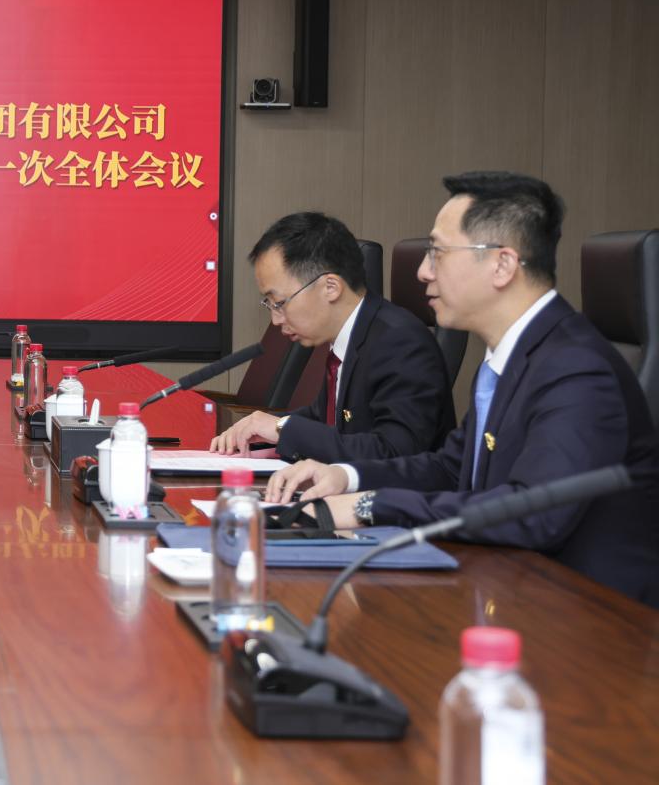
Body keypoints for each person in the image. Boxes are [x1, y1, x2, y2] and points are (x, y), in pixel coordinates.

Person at [266, 172, 659, 606]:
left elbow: (533, 513)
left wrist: (369, 505)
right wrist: (347, 477)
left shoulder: (576, 368)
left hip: (587, 617)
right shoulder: (512, 356)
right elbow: (454, 470)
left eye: (438, 253)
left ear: (502, 265)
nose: (423, 271)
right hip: (511, 588)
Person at [212, 212, 454, 462]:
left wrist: (283, 429)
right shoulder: (351, 337)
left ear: (331, 287)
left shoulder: (401, 342)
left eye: (279, 303)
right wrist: (267, 427)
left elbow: (393, 453)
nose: (276, 320)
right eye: (270, 304)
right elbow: (325, 418)